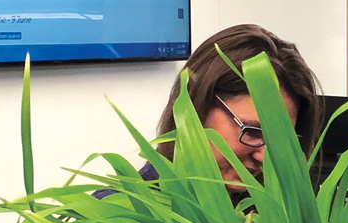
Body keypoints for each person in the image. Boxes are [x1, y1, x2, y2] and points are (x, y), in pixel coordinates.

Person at [96, 24, 322, 198]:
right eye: (253, 131)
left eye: (282, 140)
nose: (265, 156)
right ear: (195, 109)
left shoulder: (276, 221)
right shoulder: (115, 219)